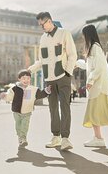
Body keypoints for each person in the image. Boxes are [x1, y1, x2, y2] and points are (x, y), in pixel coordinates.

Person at [28, 12, 77, 150]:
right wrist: (29, 70)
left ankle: (65, 139)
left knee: (65, 107)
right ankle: (56, 137)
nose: (41, 27)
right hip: (49, 79)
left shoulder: (64, 33)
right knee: (53, 108)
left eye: (42, 24)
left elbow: (72, 54)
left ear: (49, 21)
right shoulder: (43, 38)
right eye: (40, 25)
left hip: (63, 77)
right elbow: (41, 60)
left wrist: (67, 72)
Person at [75, 24, 108, 147]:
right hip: (98, 87)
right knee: (104, 111)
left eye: (84, 35)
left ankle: (99, 138)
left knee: (94, 112)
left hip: (97, 87)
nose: (83, 38)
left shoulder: (95, 47)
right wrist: (78, 64)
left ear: (88, 35)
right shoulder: (94, 48)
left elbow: (99, 68)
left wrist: (90, 81)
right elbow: (91, 66)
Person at [5, 69, 51, 148]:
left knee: (25, 125)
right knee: (18, 125)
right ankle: (20, 137)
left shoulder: (33, 89)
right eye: (23, 78)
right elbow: (9, 96)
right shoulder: (14, 89)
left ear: (30, 79)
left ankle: (23, 138)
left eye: (28, 78)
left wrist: (46, 91)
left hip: (27, 112)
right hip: (16, 111)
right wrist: (5, 96)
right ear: (19, 79)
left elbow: (40, 95)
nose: (26, 80)